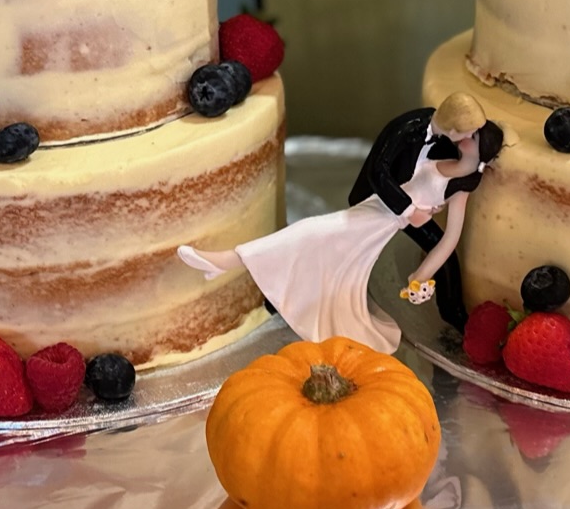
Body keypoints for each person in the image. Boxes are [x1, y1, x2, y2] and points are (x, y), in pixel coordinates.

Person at [178, 92, 508, 353]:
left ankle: (234, 265)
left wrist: (421, 275)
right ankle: (232, 264)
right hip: (378, 206)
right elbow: (379, 172)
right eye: (468, 133)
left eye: (474, 137)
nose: (468, 137)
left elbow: (449, 237)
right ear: (454, 129)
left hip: (387, 220)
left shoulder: (460, 172)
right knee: (317, 239)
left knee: (318, 240)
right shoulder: (411, 129)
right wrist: (411, 210)